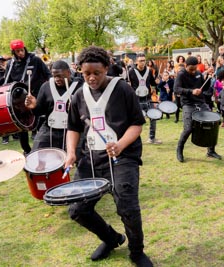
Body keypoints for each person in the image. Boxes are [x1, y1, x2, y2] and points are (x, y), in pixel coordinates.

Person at [64, 45, 153, 266]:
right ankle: (111, 239)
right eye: (86, 74)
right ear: (79, 71)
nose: (92, 78)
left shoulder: (122, 89)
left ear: (106, 68)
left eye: (97, 72)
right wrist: (71, 152)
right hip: (91, 158)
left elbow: (137, 124)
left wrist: (121, 144)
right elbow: (73, 127)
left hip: (123, 157)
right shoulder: (78, 95)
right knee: (77, 209)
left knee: (127, 207)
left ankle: (137, 252)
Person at [4, 39, 51, 155]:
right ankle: (27, 151)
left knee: (40, 120)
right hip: (19, 99)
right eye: (17, 51)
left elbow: (47, 74)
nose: (21, 53)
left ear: (24, 48)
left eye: (21, 50)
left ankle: (41, 145)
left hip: (36, 95)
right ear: (13, 52)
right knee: (21, 125)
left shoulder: (35, 60)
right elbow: (7, 81)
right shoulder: (10, 64)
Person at [24, 60, 83, 150]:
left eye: (60, 76)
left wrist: (75, 109)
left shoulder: (80, 87)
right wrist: (34, 106)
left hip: (72, 130)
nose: (57, 79)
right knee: (36, 154)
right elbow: (39, 112)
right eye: (54, 76)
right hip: (49, 128)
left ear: (68, 72)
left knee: (78, 156)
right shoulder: (46, 87)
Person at [174, 56, 222, 162]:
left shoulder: (198, 73)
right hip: (188, 103)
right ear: (186, 66)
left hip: (200, 102)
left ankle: (211, 151)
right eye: (191, 69)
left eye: (195, 68)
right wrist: (191, 91)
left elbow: (204, 88)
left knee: (213, 123)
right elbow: (176, 89)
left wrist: (208, 78)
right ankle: (179, 150)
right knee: (188, 128)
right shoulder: (181, 75)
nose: (193, 71)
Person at [128, 53, 161, 144]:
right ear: (136, 62)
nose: (143, 62)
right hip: (136, 99)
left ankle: (152, 138)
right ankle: (133, 140)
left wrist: (157, 82)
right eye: (141, 61)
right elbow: (128, 84)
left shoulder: (149, 71)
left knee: (153, 117)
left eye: (144, 60)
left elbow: (153, 83)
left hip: (147, 98)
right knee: (136, 120)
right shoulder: (131, 71)